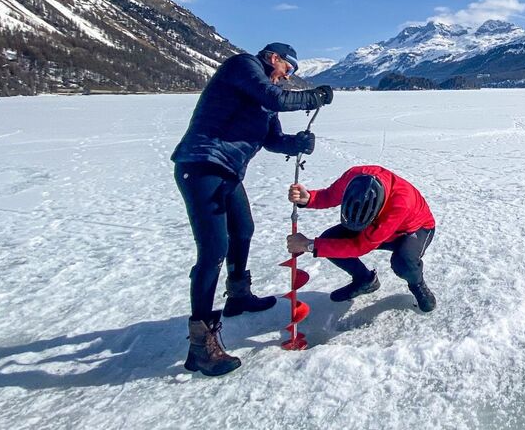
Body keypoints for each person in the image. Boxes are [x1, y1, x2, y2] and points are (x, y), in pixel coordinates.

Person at [172, 42, 333, 377]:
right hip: (201, 164)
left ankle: (238, 296)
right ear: (273, 58)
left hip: (227, 170)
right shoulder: (244, 66)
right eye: (288, 70)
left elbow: (271, 139)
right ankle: (201, 345)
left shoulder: (266, 95)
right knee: (213, 250)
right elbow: (275, 98)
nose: (288, 78)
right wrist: (313, 96)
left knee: (243, 230)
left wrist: (296, 144)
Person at [286, 165, 437, 313]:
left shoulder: (402, 204)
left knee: (403, 261)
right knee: (330, 239)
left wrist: (310, 245)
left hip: (415, 229)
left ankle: (417, 284)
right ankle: (365, 280)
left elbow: (360, 246)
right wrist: (309, 198)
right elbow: (331, 195)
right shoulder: (355, 176)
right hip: (378, 227)